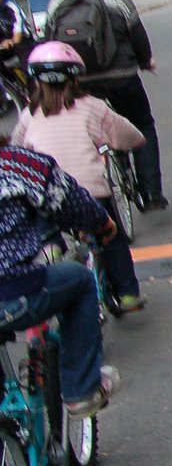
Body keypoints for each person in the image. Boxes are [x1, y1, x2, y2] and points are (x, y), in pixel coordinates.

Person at [11, 42, 146, 313]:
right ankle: (128, 293)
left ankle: (53, 248)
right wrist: (137, 141)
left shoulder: (30, 114)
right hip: (87, 191)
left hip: (44, 192)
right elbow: (126, 134)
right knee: (111, 236)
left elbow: (18, 150)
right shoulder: (92, 107)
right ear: (75, 77)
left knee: (45, 227)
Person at [0, 138, 121, 420]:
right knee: (79, 280)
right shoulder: (18, 164)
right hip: (14, 293)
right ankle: (81, 390)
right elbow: (72, 202)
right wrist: (102, 224)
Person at [47, 0, 166, 211]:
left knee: (86, 132)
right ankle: (151, 191)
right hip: (121, 78)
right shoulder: (118, 1)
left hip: (79, 83)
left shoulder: (58, 3)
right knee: (142, 124)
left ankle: (92, 192)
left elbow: (48, 42)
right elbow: (139, 41)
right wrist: (146, 62)